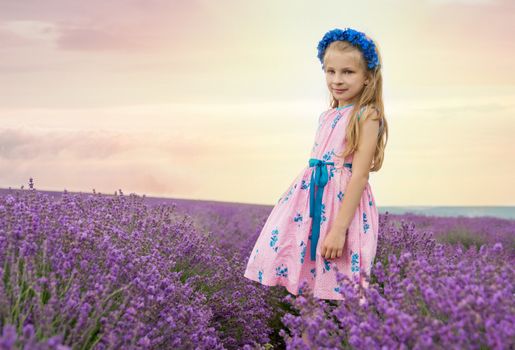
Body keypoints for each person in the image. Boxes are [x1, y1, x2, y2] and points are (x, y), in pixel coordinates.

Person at [243, 27, 388, 305]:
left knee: (338, 281)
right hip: (309, 205)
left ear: (368, 77)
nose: (337, 79)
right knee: (305, 281)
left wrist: (338, 229)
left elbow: (358, 176)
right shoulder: (327, 116)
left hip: (339, 208)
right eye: (330, 71)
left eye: (348, 72)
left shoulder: (366, 116)